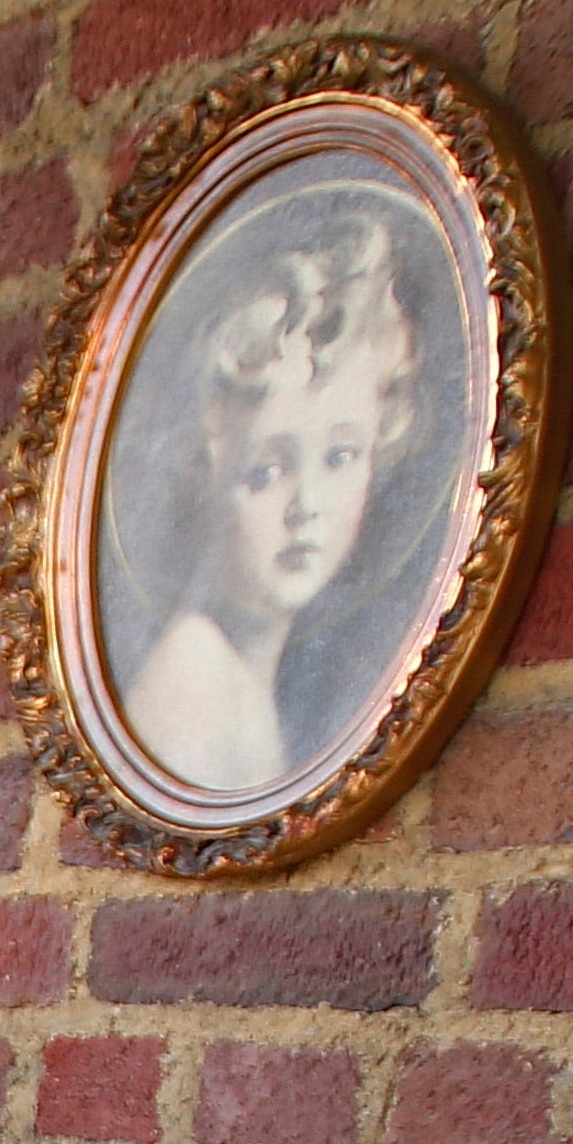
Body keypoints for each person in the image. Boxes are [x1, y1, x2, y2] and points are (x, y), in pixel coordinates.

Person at [102, 181, 432, 797]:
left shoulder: (247, 677)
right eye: (268, 471)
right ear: (207, 470)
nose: (307, 506)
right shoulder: (192, 695)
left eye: (339, 456)